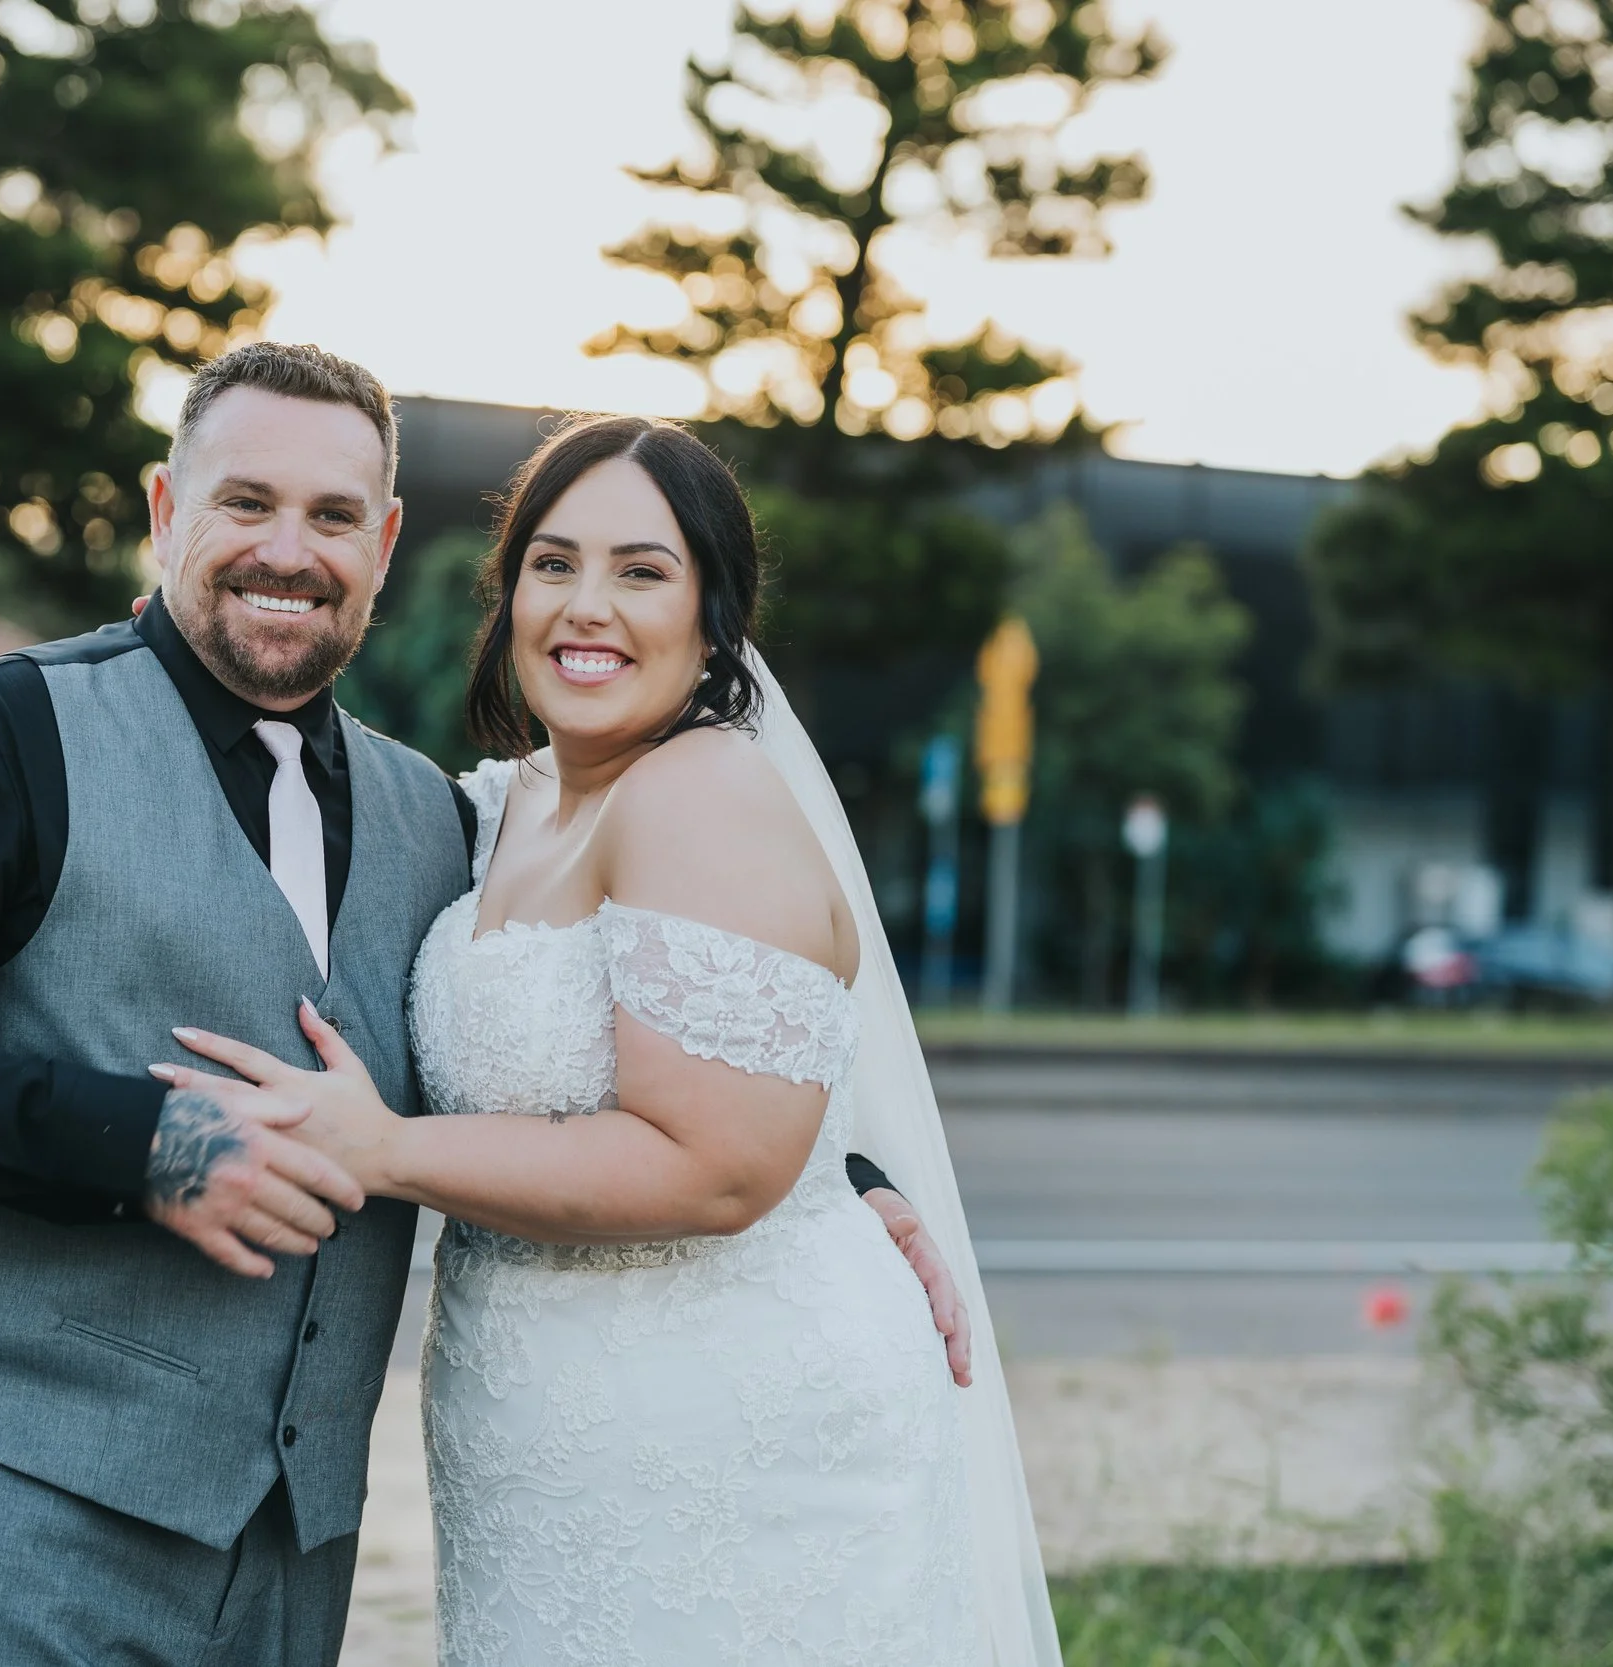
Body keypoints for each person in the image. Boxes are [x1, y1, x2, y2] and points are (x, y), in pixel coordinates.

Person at [0, 345, 968, 1667]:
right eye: (246, 503)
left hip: (289, 1549)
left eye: (333, 516)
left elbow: (610, 1041)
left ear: (385, 544)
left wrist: (840, 1176)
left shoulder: (445, 822)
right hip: (15, 1499)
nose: (290, 549)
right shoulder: (2, 735)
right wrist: (138, 1144)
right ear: (166, 511)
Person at [157, 415, 1059, 1664]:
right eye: (553, 562)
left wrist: (386, 1148)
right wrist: (853, 1174)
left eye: (643, 570)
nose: (589, 607)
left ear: (714, 614)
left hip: (735, 1434)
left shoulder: (703, 790)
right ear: (508, 590)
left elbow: (720, 1164)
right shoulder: (491, 809)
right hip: (543, 1447)